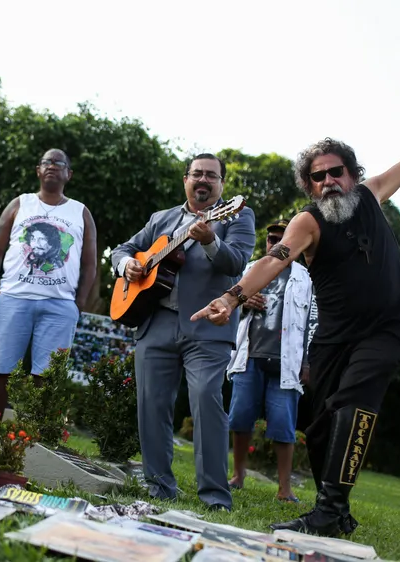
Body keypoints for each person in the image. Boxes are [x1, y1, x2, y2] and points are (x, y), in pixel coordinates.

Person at [191, 102, 400, 536]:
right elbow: (273, 260)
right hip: (333, 339)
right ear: (310, 186)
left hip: (387, 329)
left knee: (354, 405)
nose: (329, 180)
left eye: (336, 172)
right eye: (318, 176)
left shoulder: (371, 195)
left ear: (352, 174)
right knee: (323, 424)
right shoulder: (307, 223)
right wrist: (233, 297)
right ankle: (339, 513)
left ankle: (328, 512)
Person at [110, 153, 256, 511]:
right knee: (151, 404)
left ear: (222, 184)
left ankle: (215, 497)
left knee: (207, 399)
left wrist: (209, 240)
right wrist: (128, 264)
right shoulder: (162, 218)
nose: (203, 180)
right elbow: (123, 249)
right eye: (197, 174)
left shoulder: (237, 214)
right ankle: (159, 486)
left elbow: (237, 262)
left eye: (211, 175)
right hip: (156, 321)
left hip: (207, 325)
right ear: (186, 180)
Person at [0, 149, 97, 431]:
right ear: (38, 170)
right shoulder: (20, 204)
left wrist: (78, 303)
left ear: (68, 174)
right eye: (47, 162)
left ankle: (32, 446)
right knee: (1, 371)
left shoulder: (80, 211)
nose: (52, 166)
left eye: (60, 163)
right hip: (13, 298)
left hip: (59, 306)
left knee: (45, 378)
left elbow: (90, 262)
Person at [226, 218, 313, 503]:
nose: (275, 244)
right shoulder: (251, 270)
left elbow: (314, 322)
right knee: (239, 419)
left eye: (281, 239)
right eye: (271, 239)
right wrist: (242, 301)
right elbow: (224, 306)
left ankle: (284, 489)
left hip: (286, 362)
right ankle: (238, 476)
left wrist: (308, 362)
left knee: (283, 426)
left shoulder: (306, 277)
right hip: (249, 355)